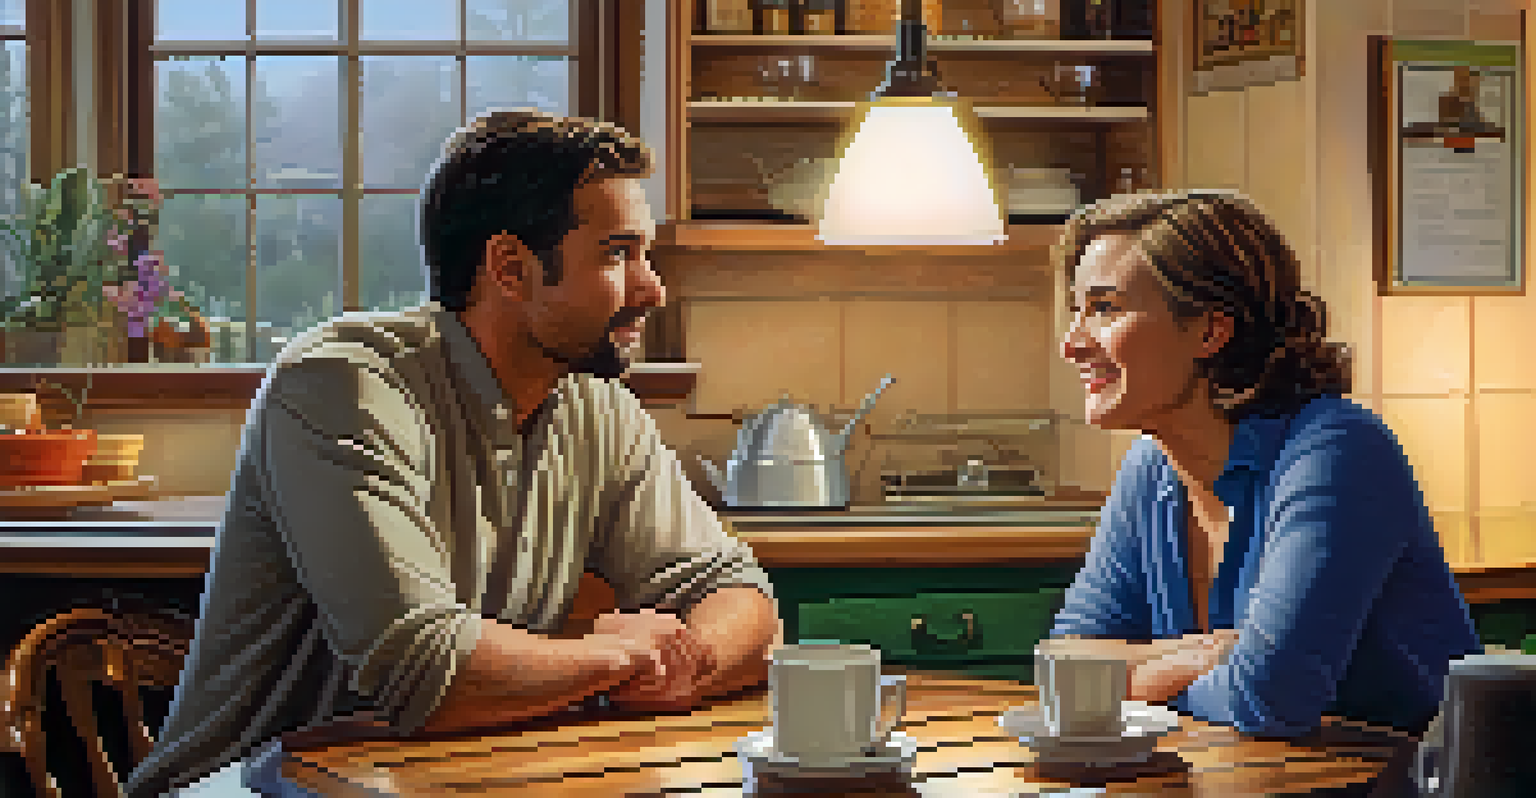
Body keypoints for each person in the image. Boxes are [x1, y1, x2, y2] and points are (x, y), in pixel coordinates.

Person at [125, 110, 782, 798]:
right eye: (617, 254)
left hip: (438, 784)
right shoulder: (342, 385)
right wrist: (624, 652)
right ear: (510, 268)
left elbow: (740, 596)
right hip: (245, 787)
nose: (652, 288)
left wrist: (688, 658)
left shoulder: (595, 404)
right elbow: (427, 672)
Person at [1046, 190, 1482, 741]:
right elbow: (1064, 665)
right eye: (1078, 310)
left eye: (1105, 309)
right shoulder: (1152, 465)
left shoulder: (1337, 452)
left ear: (1209, 331)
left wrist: (1135, 678)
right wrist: (1200, 655)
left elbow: (1269, 698)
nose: (1072, 343)